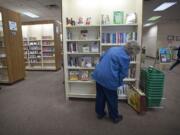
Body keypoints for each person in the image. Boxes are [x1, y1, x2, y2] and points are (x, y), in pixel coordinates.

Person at [92, 41, 140, 123]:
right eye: (133, 54)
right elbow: (123, 73)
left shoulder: (113, 48)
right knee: (112, 99)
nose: (132, 56)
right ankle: (114, 117)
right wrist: (118, 82)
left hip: (98, 75)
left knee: (100, 96)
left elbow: (101, 58)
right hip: (109, 79)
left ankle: (100, 113)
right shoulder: (125, 57)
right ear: (131, 52)